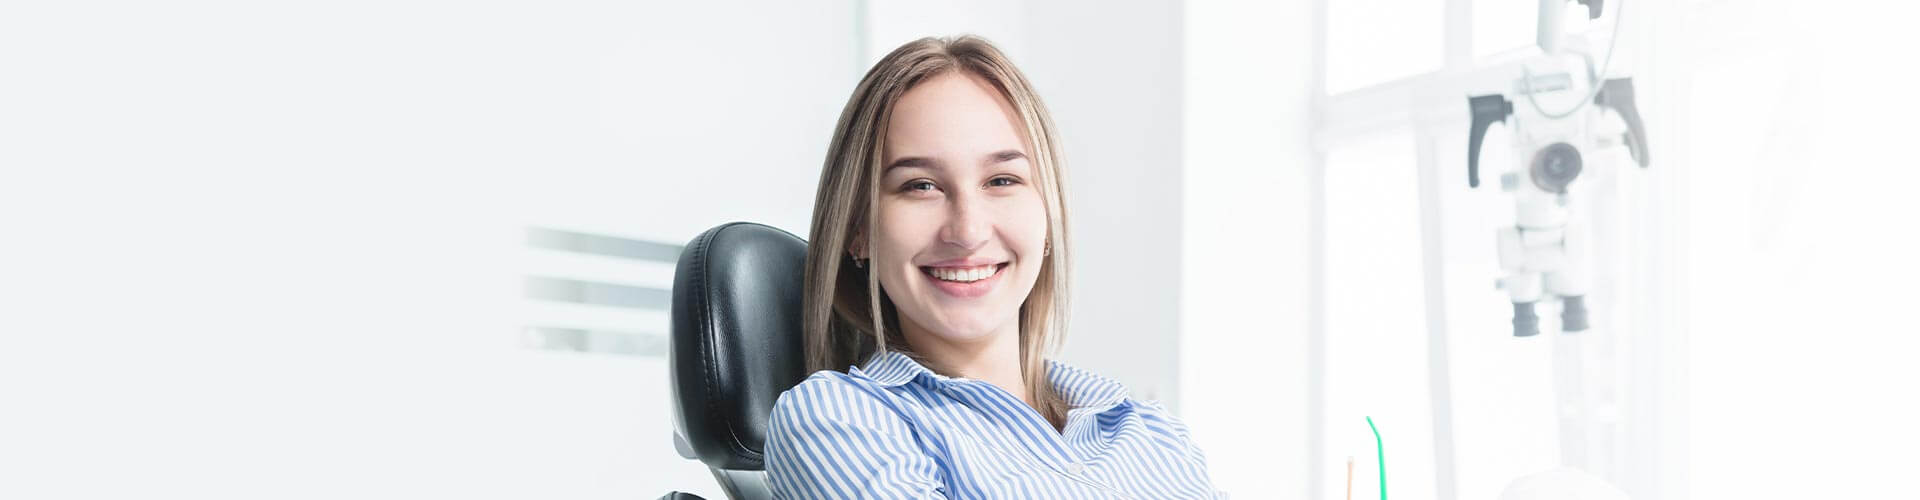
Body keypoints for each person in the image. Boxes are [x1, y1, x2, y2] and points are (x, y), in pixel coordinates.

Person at [764, 35, 1227, 499]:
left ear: (1049, 217)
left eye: (1002, 180)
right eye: (921, 186)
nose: (967, 231)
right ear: (857, 229)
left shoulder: (1154, 433)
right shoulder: (838, 421)